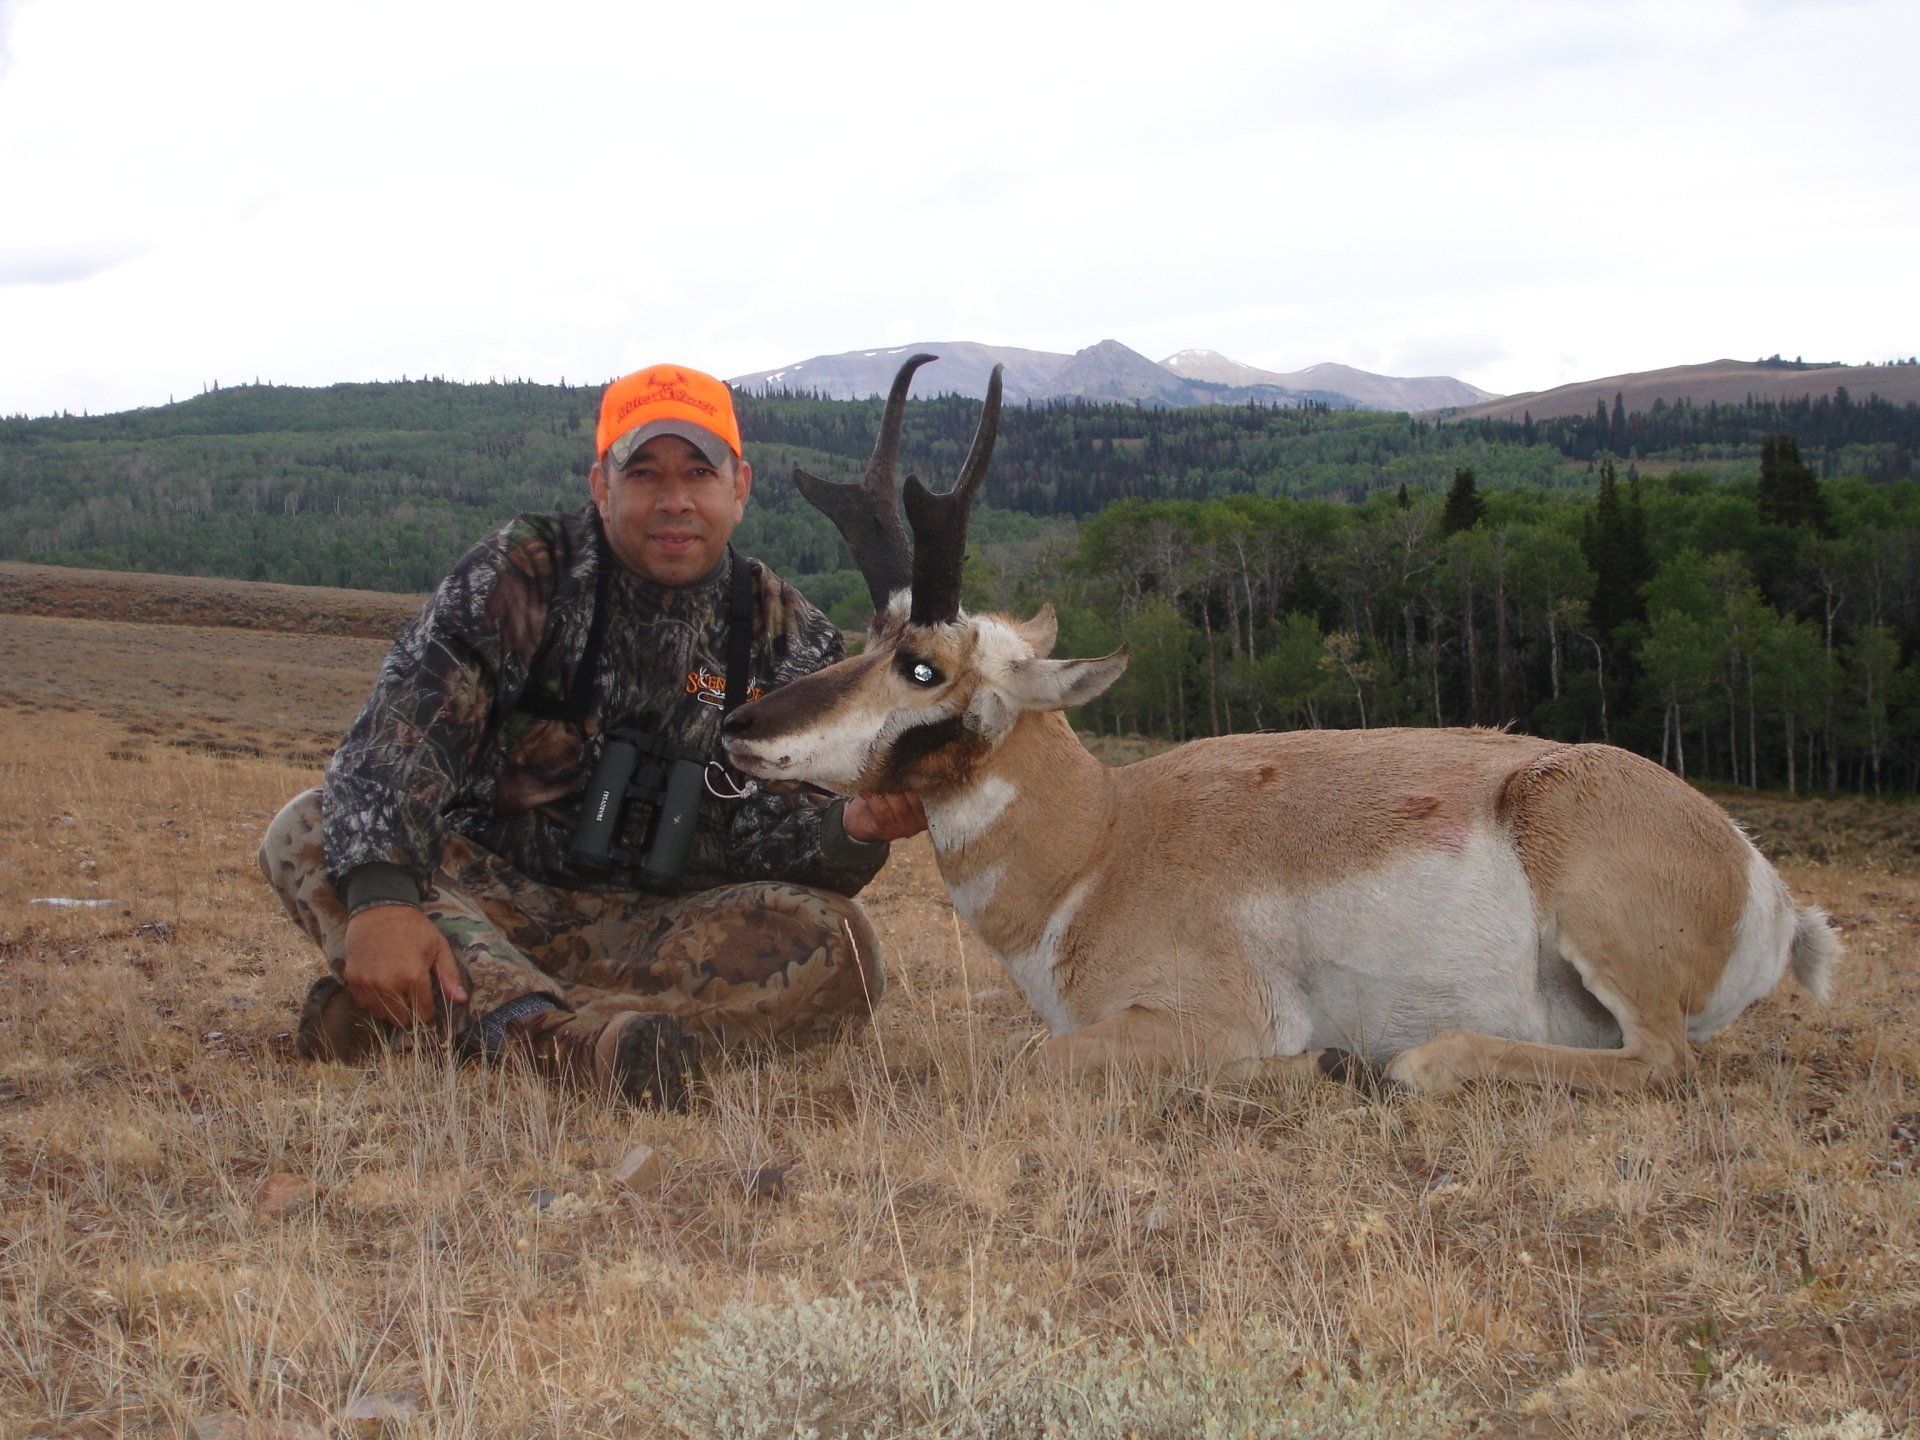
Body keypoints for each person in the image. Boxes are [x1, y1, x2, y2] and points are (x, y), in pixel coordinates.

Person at [258, 364, 926, 1107]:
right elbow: (399, 735)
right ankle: (564, 1048)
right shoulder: (524, 573)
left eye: (697, 473)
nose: (674, 500)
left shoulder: (789, 639)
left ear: (739, 486)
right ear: (601, 486)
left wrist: (853, 826)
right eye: (643, 473)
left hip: (661, 932)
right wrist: (384, 901)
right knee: (310, 829)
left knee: (842, 945)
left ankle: (443, 1023)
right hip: (488, 897)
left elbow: (772, 837)